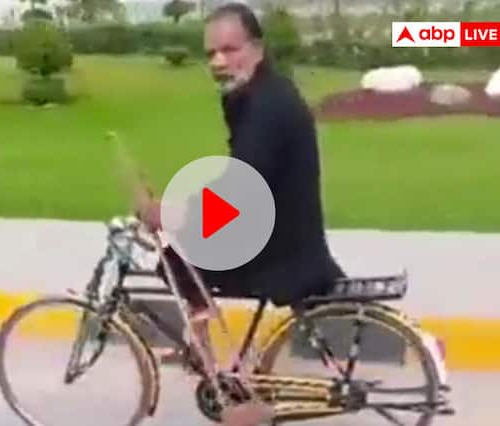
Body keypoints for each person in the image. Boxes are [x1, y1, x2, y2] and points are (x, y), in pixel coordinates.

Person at [137, 3, 346, 425]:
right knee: (182, 254)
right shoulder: (259, 93)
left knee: (175, 255)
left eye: (230, 50)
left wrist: (173, 213)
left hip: (280, 249)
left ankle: (213, 365)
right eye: (211, 53)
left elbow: (242, 187)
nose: (218, 62)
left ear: (258, 49)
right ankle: (210, 357)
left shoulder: (268, 105)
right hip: (279, 233)